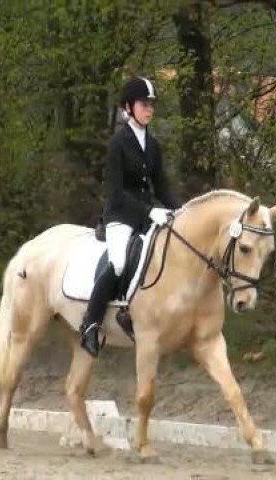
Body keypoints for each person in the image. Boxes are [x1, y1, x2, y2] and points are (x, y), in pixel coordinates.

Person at [79, 75, 181, 357]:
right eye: (143, 104)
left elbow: (161, 187)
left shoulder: (154, 144)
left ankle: (139, 313)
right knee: (120, 262)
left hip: (148, 215)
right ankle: (91, 322)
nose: (149, 109)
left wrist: (180, 211)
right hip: (120, 215)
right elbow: (117, 191)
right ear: (128, 106)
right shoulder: (118, 143)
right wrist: (150, 210)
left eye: (152, 104)